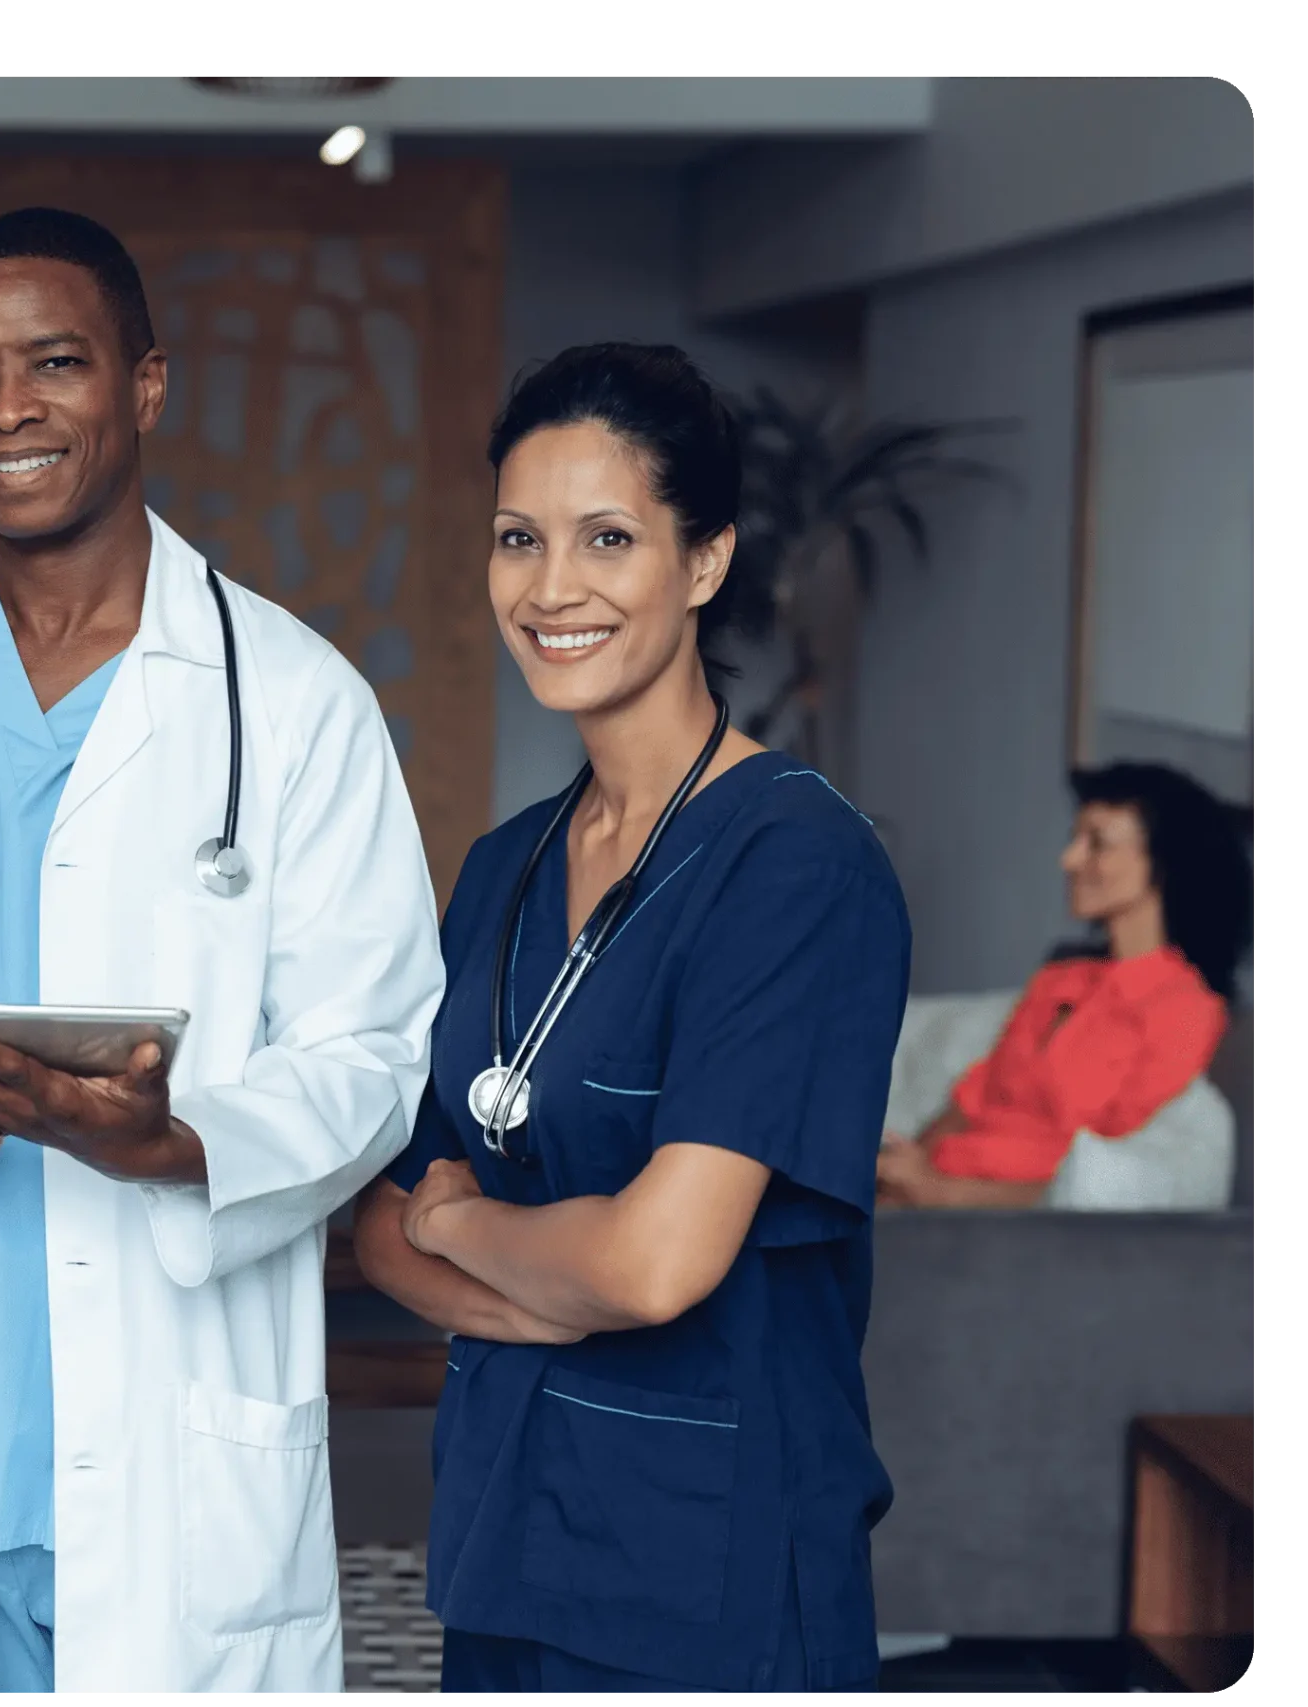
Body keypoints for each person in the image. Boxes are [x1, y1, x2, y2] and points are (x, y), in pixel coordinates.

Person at [0, 207, 442, 1694]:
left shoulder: (295, 705)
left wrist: (176, 1137)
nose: (10, 410)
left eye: (56, 362)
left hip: (182, 1468)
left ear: (145, 385)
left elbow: (375, 1048)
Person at [352, 343, 910, 1695]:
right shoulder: (506, 864)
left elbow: (657, 1264)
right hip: (501, 1539)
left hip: (712, 1580)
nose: (552, 588)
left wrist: (459, 1223)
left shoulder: (795, 864)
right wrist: (480, 1247)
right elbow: (369, 1219)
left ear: (705, 560)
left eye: (608, 537)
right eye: (518, 540)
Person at [876, 762, 1247, 1208]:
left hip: (1001, 1220)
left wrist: (937, 1192)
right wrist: (908, 1163)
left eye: (1097, 844)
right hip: (932, 1192)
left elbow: (1096, 1178)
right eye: (1076, 840)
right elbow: (975, 1097)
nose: (1069, 859)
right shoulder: (1060, 980)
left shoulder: (1184, 1008)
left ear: (1164, 864)